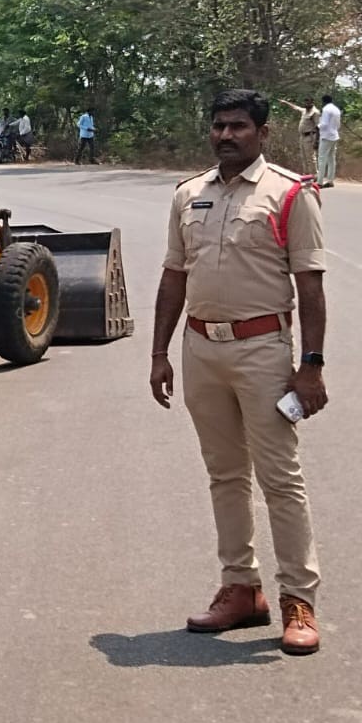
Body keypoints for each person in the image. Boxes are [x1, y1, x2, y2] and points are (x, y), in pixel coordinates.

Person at [149, 88, 327, 656]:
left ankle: (300, 600)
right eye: (219, 126)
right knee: (224, 475)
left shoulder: (291, 194)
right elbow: (174, 276)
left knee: (280, 479)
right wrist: (159, 353)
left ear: (263, 133)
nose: (227, 135)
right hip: (202, 350)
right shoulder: (188, 195)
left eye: (239, 127)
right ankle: (241, 589)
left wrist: (312, 366)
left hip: (263, 351)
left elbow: (311, 286)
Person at [316, 93, 341, 188]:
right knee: (331, 159)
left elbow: (324, 123)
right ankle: (330, 180)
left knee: (322, 159)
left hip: (326, 136)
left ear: (323, 101)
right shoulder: (336, 109)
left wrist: (317, 127)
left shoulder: (326, 109)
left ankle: (319, 182)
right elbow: (338, 125)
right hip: (334, 135)